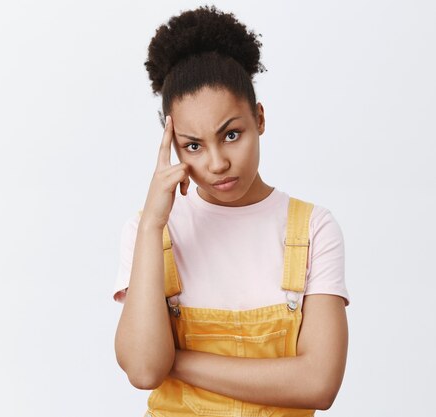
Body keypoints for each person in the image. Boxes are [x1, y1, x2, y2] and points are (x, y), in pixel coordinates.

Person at [112, 5, 350, 417]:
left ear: (259, 119)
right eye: (193, 146)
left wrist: (176, 360)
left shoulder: (313, 228)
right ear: (172, 145)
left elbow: (319, 383)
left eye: (231, 134)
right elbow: (145, 370)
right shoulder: (151, 231)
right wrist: (153, 224)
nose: (217, 162)